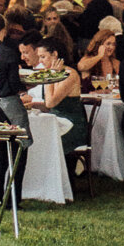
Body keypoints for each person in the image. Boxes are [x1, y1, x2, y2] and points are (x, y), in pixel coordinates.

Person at [23, 34, 89, 169]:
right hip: (57, 120)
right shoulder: (53, 72)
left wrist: (50, 77)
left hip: (72, 125)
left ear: (55, 55)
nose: (40, 62)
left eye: (43, 57)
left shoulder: (69, 74)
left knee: (41, 140)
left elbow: (51, 103)